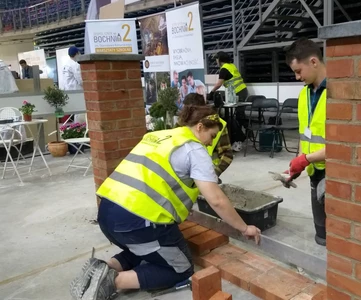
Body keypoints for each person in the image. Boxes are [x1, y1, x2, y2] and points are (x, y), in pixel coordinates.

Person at [69, 105, 261, 300]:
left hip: (108, 215)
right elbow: (217, 200)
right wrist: (245, 228)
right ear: (200, 127)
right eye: (212, 136)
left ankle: (104, 267)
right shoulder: (194, 149)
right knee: (181, 267)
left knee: (149, 249)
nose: (211, 142)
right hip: (137, 222)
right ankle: (112, 281)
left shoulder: (160, 135)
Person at [284, 38, 327, 246]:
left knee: (337, 234)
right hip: (314, 171)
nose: (297, 77)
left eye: (299, 71)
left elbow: (343, 146)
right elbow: (306, 135)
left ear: (313, 62)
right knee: (321, 233)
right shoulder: (304, 95)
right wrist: (298, 162)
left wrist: (306, 159)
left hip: (335, 173)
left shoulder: (338, 94)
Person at [180, 93, 233, 178]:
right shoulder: (181, 124)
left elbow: (227, 155)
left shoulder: (217, 125)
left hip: (207, 175)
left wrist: (213, 175)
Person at [209, 52, 248, 151]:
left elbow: (219, 83)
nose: (216, 61)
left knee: (238, 115)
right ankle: (243, 133)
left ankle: (240, 138)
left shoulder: (224, 68)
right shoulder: (231, 66)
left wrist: (212, 92)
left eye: (216, 59)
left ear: (220, 59)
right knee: (238, 115)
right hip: (241, 91)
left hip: (237, 92)